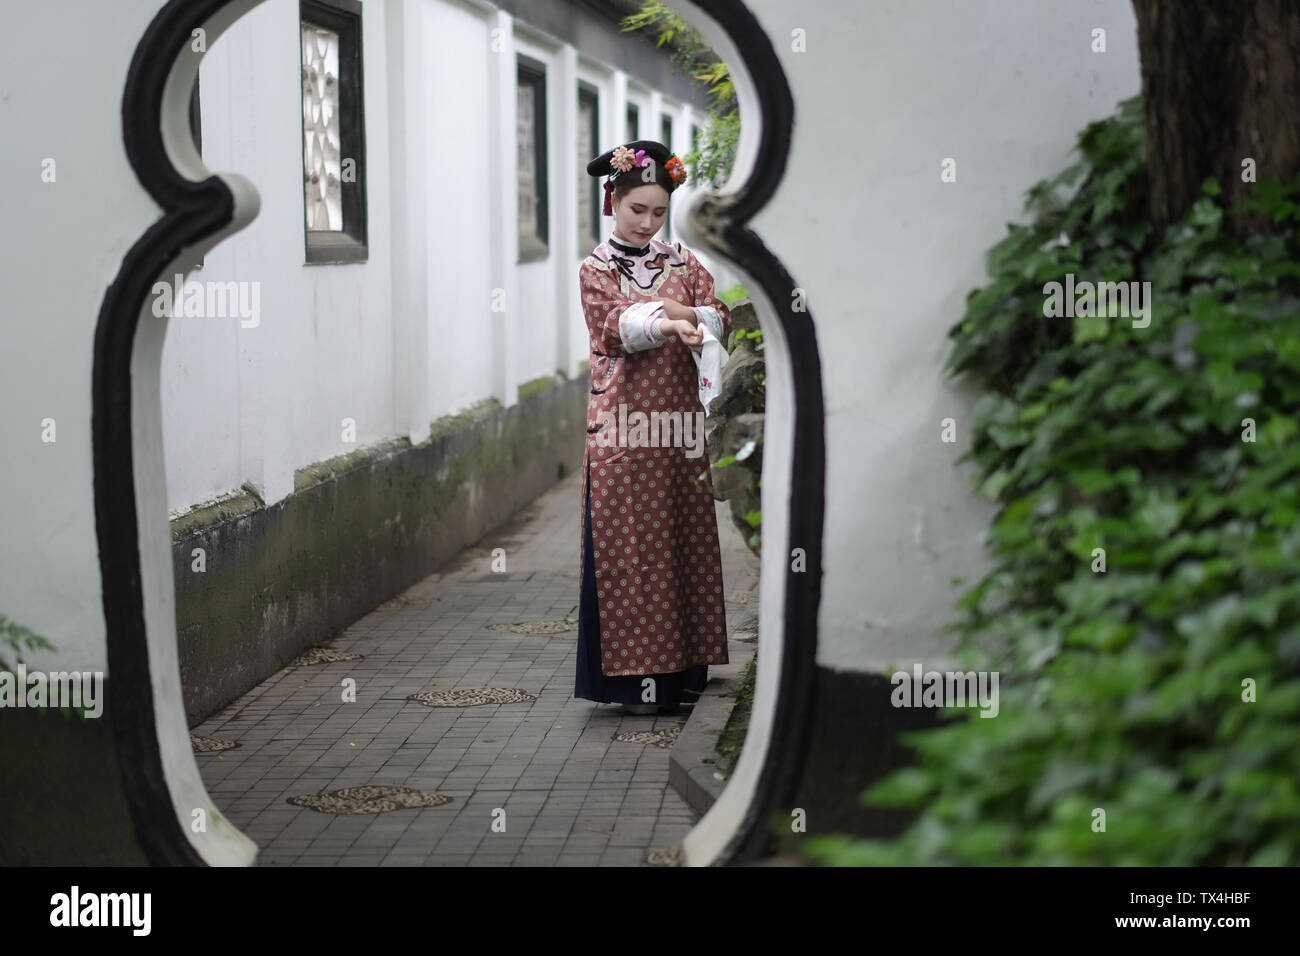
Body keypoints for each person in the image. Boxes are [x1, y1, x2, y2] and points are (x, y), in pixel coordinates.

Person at [575, 139, 733, 716]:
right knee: (631, 551)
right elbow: (614, 327)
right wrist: (675, 320)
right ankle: (634, 683)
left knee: (683, 541)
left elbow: (721, 315)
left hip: (678, 429)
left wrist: (692, 321)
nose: (647, 222)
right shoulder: (596, 269)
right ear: (611, 201)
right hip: (622, 429)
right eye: (636, 209)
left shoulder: (685, 263)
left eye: (658, 212)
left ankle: (686, 673)